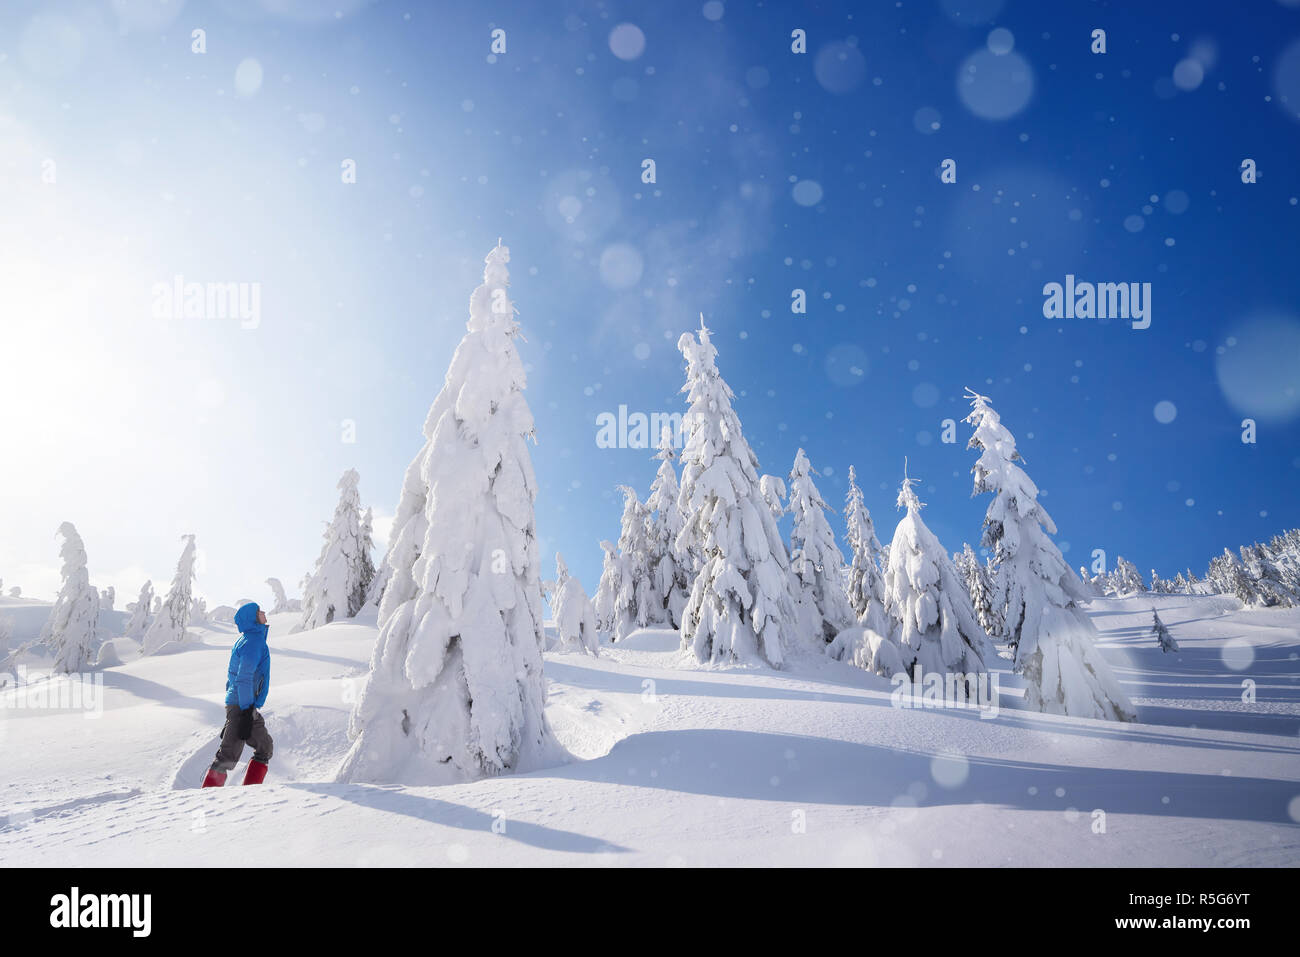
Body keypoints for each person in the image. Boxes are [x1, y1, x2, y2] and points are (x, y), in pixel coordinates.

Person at [202, 601, 273, 787]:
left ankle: (250, 793)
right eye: (259, 611)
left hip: (244, 704)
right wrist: (245, 710)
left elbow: (231, 678)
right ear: (252, 618)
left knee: (265, 747)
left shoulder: (250, 640)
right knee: (227, 756)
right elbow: (243, 678)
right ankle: (205, 798)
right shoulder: (253, 642)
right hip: (243, 705)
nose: (264, 612)